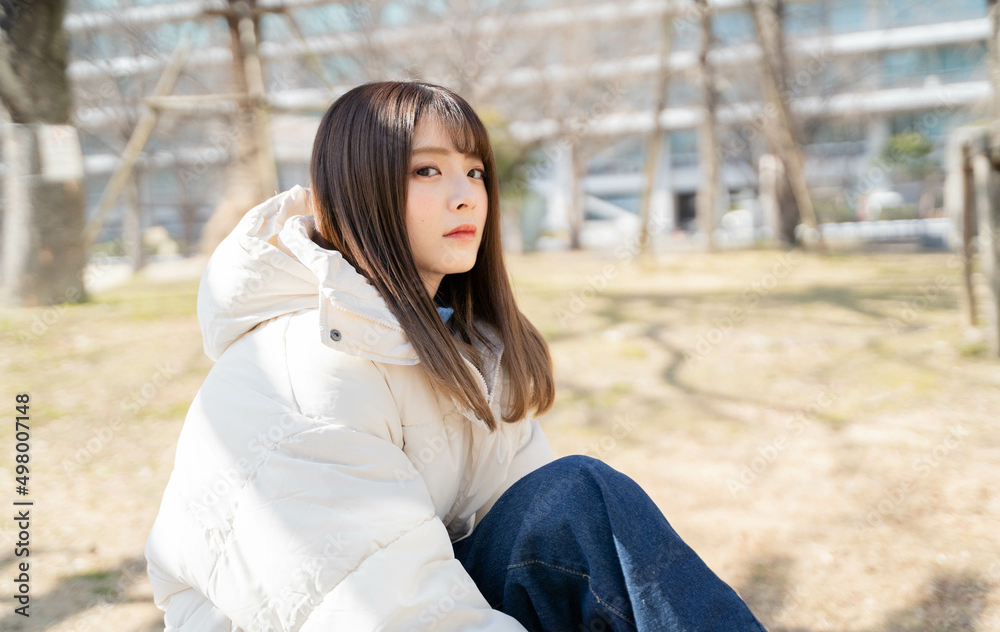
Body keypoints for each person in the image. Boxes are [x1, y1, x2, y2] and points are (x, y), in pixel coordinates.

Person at [144, 81, 767, 631]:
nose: (466, 196)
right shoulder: (308, 369)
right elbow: (379, 613)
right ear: (358, 191)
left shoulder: (468, 350)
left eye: (474, 172)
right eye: (426, 171)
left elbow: (527, 518)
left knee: (576, 500)